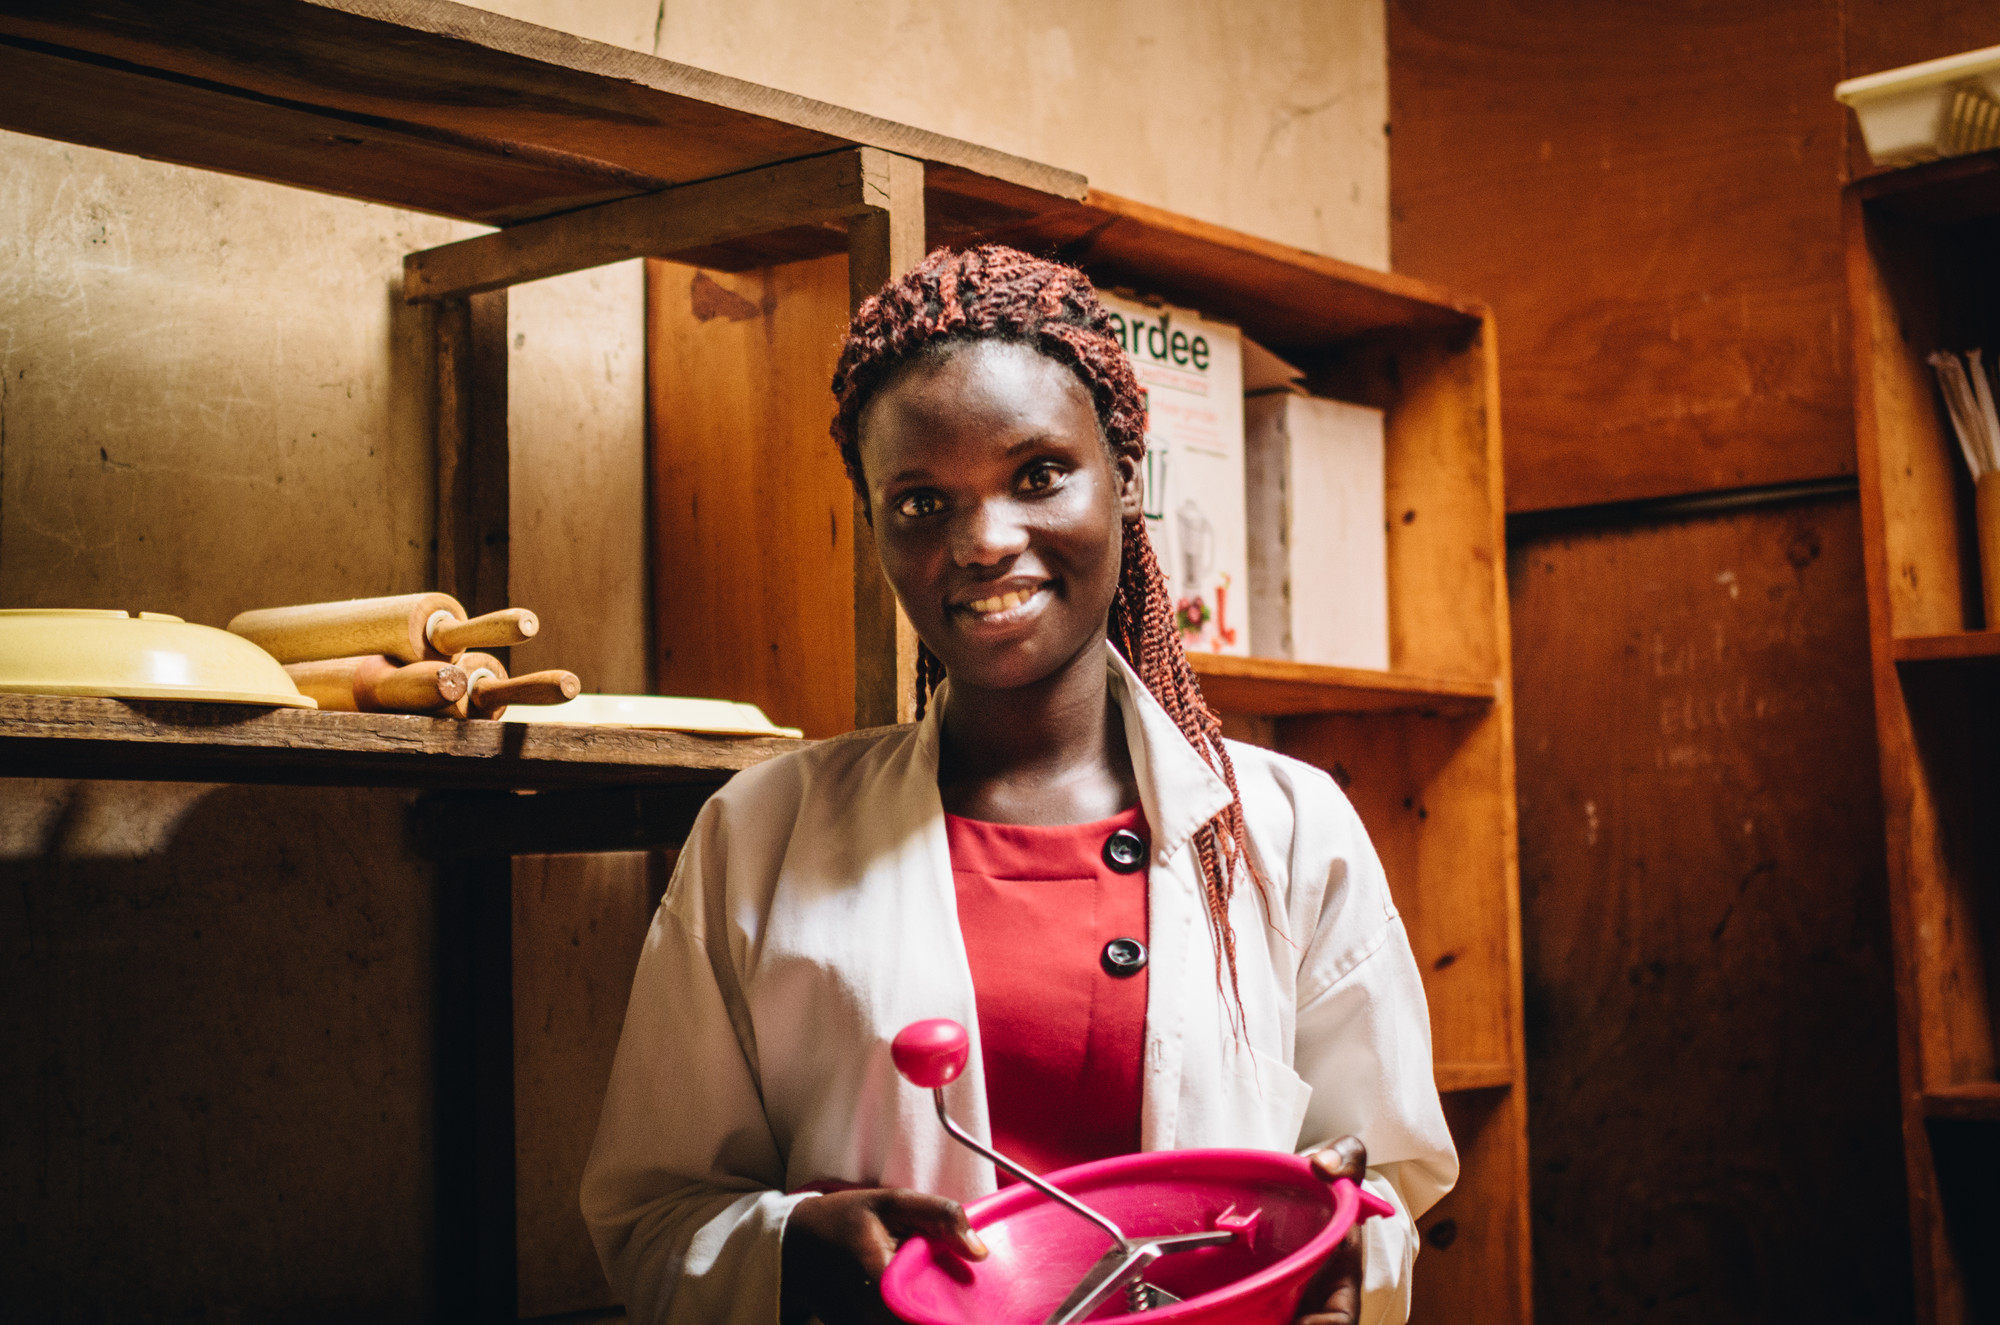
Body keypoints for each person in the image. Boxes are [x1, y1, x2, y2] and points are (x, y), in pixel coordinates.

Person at [581, 245, 1457, 1325]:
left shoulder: (1287, 831)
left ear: (1124, 479)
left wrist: (1336, 1271)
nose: (984, 541)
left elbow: (1382, 1185)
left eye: (1037, 473)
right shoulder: (758, 836)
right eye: (920, 502)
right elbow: (650, 1218)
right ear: (874, 525)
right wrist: (790, 1246)